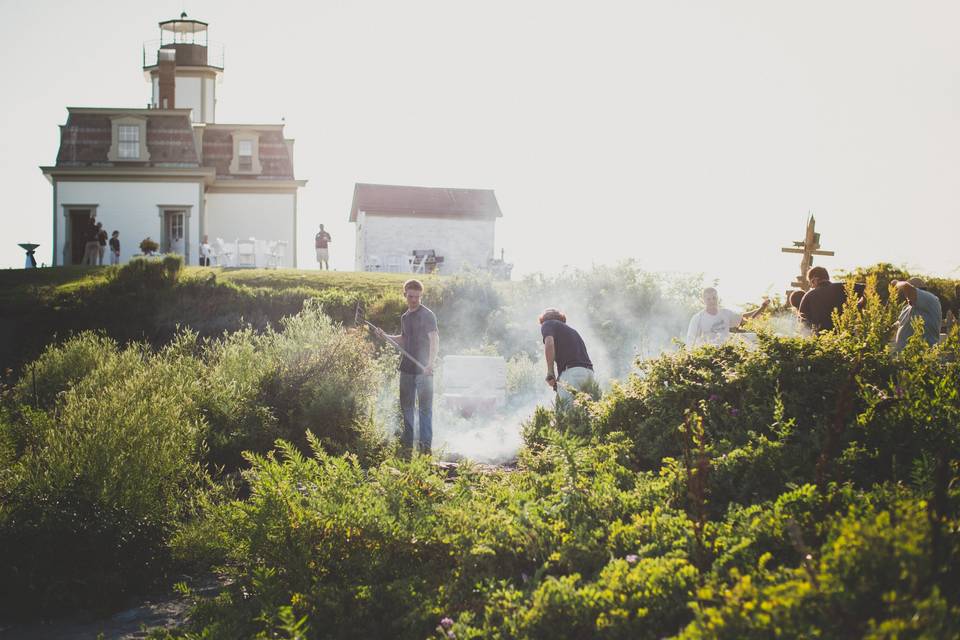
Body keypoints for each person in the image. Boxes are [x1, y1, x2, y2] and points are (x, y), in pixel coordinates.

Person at [377, 279, 439, 455]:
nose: (414, 300)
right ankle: (408, 447)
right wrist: (385, 336)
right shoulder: (405, 317)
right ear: (405, 294)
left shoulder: (427, 315)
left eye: (417, 297)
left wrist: (430, 363)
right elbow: (404, 340)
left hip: (424, 370)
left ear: (421, 295)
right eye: (411, 296)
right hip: (406, 369)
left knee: (425, 410)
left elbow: (434, 339)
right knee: (407, 409)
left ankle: (425, 449)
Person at [539, 308, 595, 403]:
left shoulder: (547, 323)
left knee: (566, 413)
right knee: (587, 412)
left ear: (543, 319)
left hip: (572, 373)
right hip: (589, 373)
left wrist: (550, 372)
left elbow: (549, 343)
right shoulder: (573, 331)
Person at [686, 288, 769, 346]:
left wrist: (762, 308)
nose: (712, 301)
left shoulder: (725, 313)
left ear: (717, 298)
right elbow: (690, 342)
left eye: (714, 298)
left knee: (756, 337)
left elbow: (744, 319)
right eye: (708, 299)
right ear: (703, 300)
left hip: (727, 347)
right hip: (711, 351)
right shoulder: (697, 318)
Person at [892, 278, 942, 351]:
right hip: (904, 357)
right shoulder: (906, 308)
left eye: (908, 292)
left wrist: (896, 283)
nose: (906, 295)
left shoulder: (931, 299)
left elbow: (906, 286)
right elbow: (898, 325)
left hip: (924, 357)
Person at [797, 266, 847, 333]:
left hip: (819, 339)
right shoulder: (844, 287)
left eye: (811, 283)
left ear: (815, 279)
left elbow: (802, 321)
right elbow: (865, 288)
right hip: (844, 335)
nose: (811, 286)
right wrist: (858, 306)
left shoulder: (808, 296)